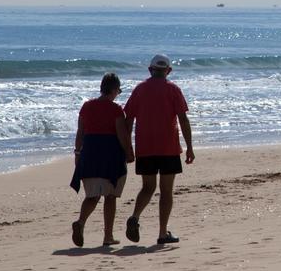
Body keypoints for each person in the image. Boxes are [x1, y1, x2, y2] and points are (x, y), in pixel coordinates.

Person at [121, 54, 194, 245]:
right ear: (168, 71)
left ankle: (135, 216)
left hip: (145, 147)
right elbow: (183, 120)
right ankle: (162, 233)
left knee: (147, 187)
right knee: (166, 191)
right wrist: (190, 147)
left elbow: (128, 120)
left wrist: (127, 146)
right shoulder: (173, 89)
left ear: (150, 69)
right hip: (168, 147)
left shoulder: (140, 89)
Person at [69, 73, 133, 247]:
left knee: (92, 195)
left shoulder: (87, 106)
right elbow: (121, 135)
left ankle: (81, 222)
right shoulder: (115, 109)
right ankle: (108, 236)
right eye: (118, 90)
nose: (118, 93)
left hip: (89, 153)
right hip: (110, 154)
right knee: (110, 196)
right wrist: (129, 152)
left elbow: (80, 132)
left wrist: (77, 154)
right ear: (113, 90)